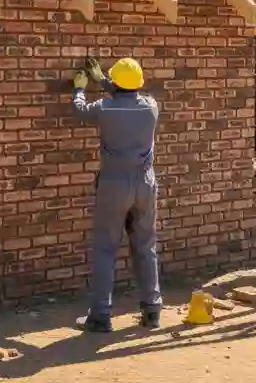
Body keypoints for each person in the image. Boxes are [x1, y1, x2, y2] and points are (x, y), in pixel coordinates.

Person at [71, 57, 162, 333]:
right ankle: (152, 311)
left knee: (106, 249)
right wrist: (105, 82)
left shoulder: (105, 108)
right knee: (146, 247)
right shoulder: (151, 107)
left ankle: (100, 316)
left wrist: (80, 87)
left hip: (114, 184)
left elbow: (80, 111)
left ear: (117, 82)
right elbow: (125, 98)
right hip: (145, 184)